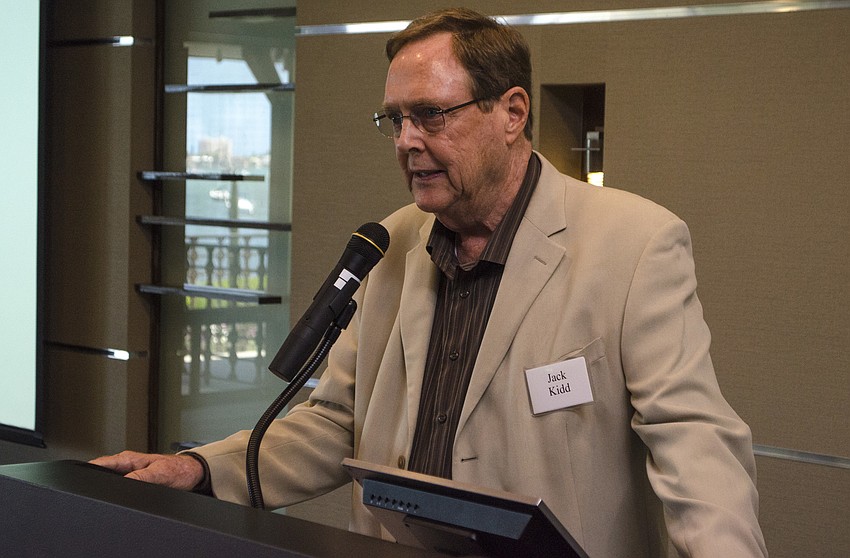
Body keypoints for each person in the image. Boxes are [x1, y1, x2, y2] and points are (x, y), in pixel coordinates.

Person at [93, 8, 767, 557]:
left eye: (431, 115)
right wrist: (203, 468)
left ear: (512, 112)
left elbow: (695, 443)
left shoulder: (634, 244)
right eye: (396, 119)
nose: (406, 141)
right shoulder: (392, 244)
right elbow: (336, 424)